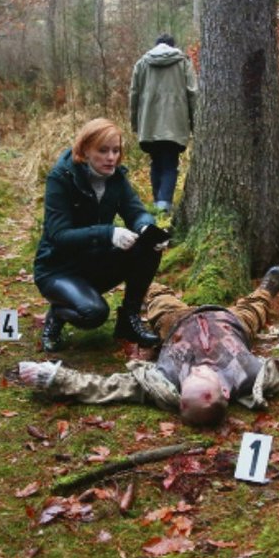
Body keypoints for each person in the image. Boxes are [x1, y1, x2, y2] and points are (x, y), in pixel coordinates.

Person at [17, 267, 279, 426]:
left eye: (191, 377)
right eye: (202, 375)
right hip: (234, 322)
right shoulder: (249, 378)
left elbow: (104, 386)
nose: (197, 369)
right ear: (224, 393)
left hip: (175, 322)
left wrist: (54, 378)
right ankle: (267, 288)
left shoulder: (163, 383)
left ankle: (136, 273)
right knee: (257, 307)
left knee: (155, 296)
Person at [34, 118, 165, 352]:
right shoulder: (61, 178)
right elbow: (58, 235)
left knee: (149, 246)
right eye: (103, 151)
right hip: (57, 269)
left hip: (93, 262)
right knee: (94, 314)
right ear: (85, 150)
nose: (111, 157)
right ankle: (56, 313)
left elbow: (136, 211)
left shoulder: (116, 178)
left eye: (116, 150)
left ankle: (129, 321)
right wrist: (108, 233)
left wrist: (146, 229)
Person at [129, 34, 197, 213]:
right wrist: (196, 123)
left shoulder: (142, 63)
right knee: (170, 164)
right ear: (173, 45)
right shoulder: (183, 62)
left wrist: (135, 124)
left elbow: (134, 95)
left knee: (156, 163)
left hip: (149, 124)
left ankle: (158, 203)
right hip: (174, 123)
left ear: (156, 45)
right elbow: (193, 93)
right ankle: (163, 205)